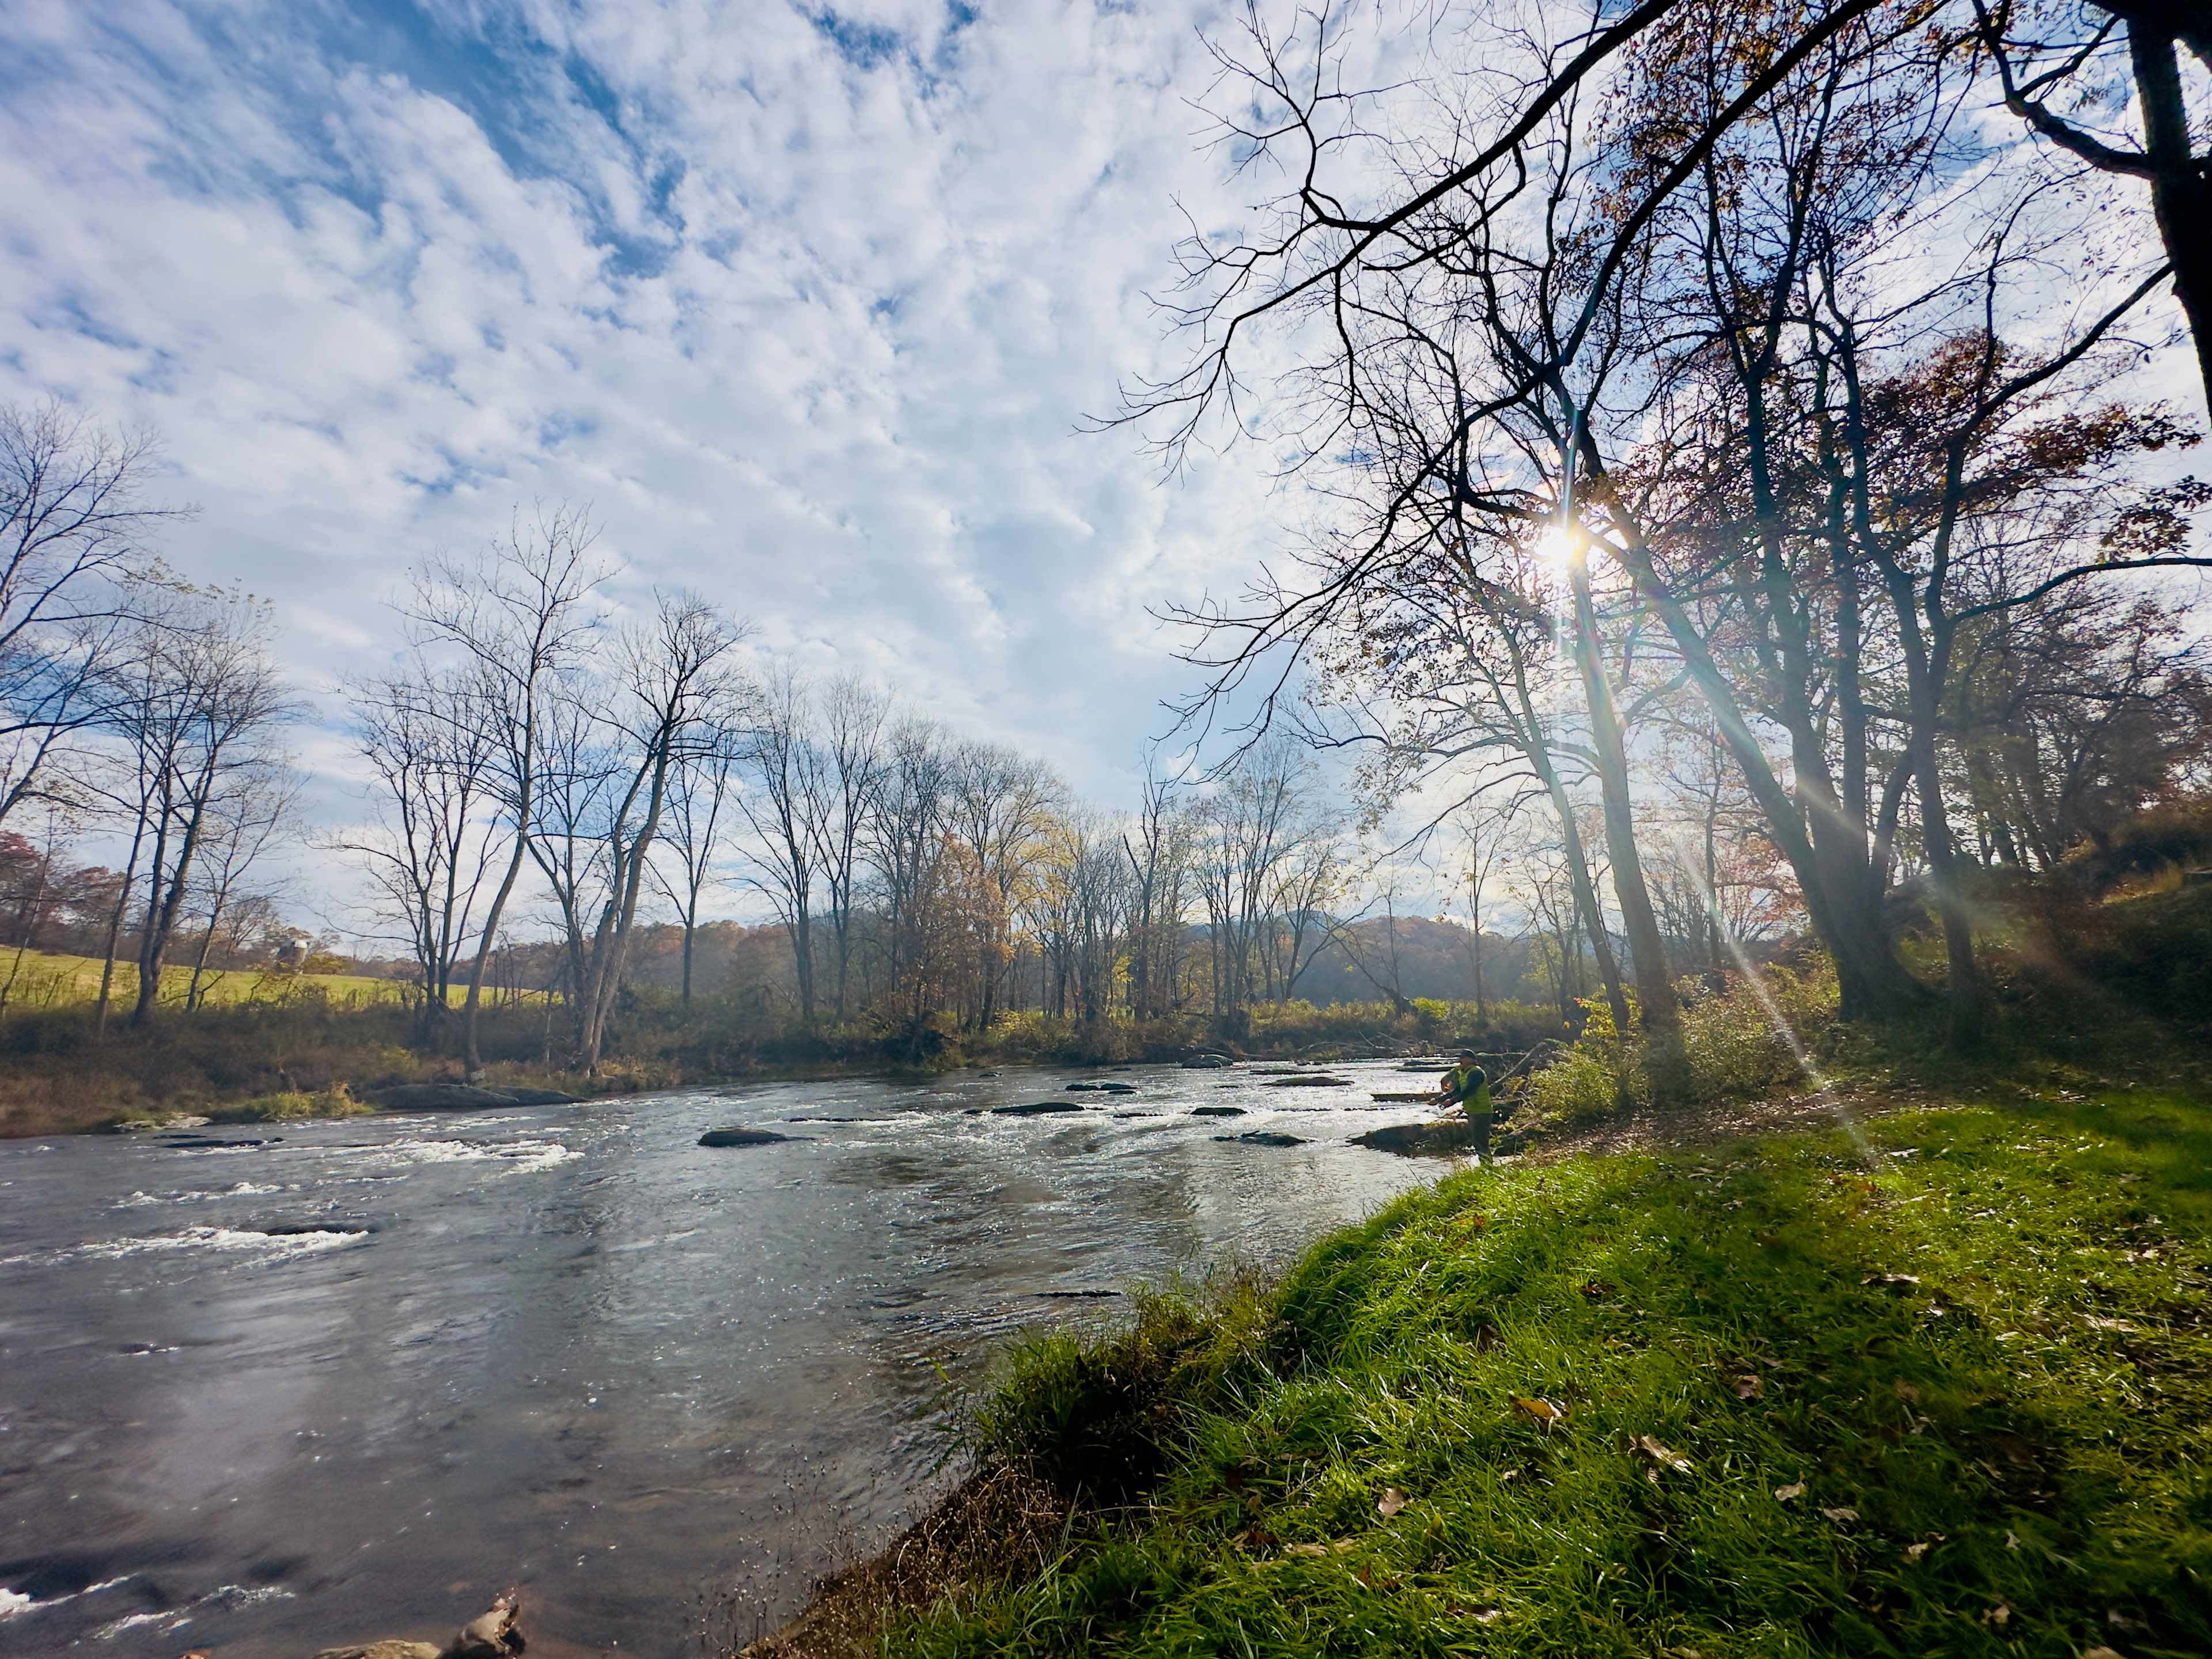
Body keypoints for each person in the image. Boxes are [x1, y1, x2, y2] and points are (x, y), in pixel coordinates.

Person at [1438, 1050, 1493, 1161]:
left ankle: (1488, 1168)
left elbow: (1469, 1091)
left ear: (1470, 1059)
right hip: (1474, 1111)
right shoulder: (1466, 1074)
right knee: (1478, 1142)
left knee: (1481, 1142)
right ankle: (1486, 1167)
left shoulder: (1475, 1073)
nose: (1460, 1061)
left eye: (1462, 1058)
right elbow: (1457, 1091)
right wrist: (1439, 1099)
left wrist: (1451, 1102)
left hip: (1482, 1111)